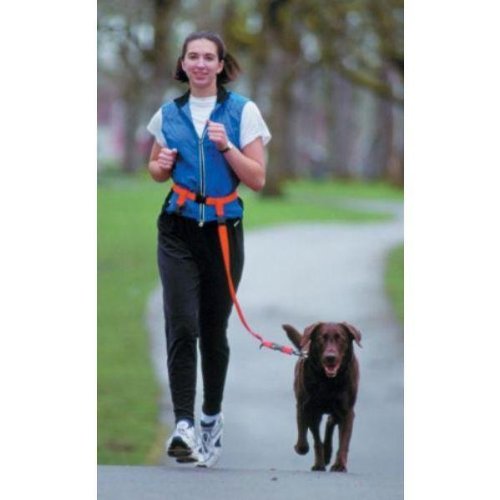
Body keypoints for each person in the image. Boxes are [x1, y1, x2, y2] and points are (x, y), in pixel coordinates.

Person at [146, 31, 271, 468]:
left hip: (222, 230)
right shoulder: (167, 114)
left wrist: (227, 146)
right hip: (177, 229)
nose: (200, 64)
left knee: (213, 329)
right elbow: (156, 168)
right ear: (182, 64)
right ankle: (183, 425)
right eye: (192, 57)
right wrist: (159, 166)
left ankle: (210, 418)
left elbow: (257, 179)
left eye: (208, 57)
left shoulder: (243, 112)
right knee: (181, 323)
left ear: (220, 65)